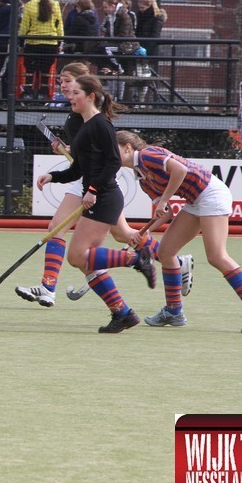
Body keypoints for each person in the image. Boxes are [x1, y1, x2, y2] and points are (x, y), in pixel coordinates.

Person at [16, 62, 191, 308]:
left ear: (84, 87)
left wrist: (89, 181)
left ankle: (50, 287)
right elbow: (84, 154)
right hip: (86, 179)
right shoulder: (75, 115)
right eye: (61, 81)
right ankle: (171, 263)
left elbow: (104, 157)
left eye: (68, 81)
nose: (63, 86)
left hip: (98, 183)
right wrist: (66, 152)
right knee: (120, 234)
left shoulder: (92, 118)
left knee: (69, 233)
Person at [116, 131, 242, 333]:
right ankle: (174, 311)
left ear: (128, 148)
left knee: (216, 256)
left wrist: (164, 200)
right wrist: (143, 232)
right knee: (166, 252)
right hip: (194, 201)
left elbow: (179, 170)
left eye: (113, 148)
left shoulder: (147, 155)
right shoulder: (143, 179)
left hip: (210, 193)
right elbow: (165, 213)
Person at [36, 74, 154, 333]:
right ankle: (122, 313)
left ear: (90, 96)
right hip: (97, 196)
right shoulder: (85, 127)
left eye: (76, 93)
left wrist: (92, 189)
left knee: (77, 256)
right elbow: (78, 169)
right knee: (86, 262)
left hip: (104, 197)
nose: (70, 97)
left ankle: (137, 258)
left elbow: (113, 162)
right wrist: (53, 176)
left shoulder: (101, 124)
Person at [18, 0, 63, 101]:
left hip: (33, 43)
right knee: (45, 70)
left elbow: (24, 26)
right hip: (50, 43)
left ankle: (28, 93)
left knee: (30, 69)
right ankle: (44, 94)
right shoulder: (55, 5)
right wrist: (59, 43)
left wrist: (21, 43)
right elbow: (59, 25)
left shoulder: (29, 5)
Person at [99, 0, 140, 102]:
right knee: (102, 49)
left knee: (107, 50)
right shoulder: (110, 17)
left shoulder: (123, 16)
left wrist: (110, 41)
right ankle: (113, 95)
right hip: (116, 44)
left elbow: (124, 34)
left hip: (126, 45)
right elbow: (109, 31)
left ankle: (118, 67)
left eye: (106, 7)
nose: (104, 10)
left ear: (112, 6)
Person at [132, 0, 167, 104]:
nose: (141, 10)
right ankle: (137, 98)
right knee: (138, 74)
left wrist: (147, 50)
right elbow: (137, 32)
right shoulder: (140, 16)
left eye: (143, 8)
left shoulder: (157, 17)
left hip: (149, 50)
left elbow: (155, 36)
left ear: (149, 6)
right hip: (139, 49)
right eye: (140, 8)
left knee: (145, 75)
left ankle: (141, 100)